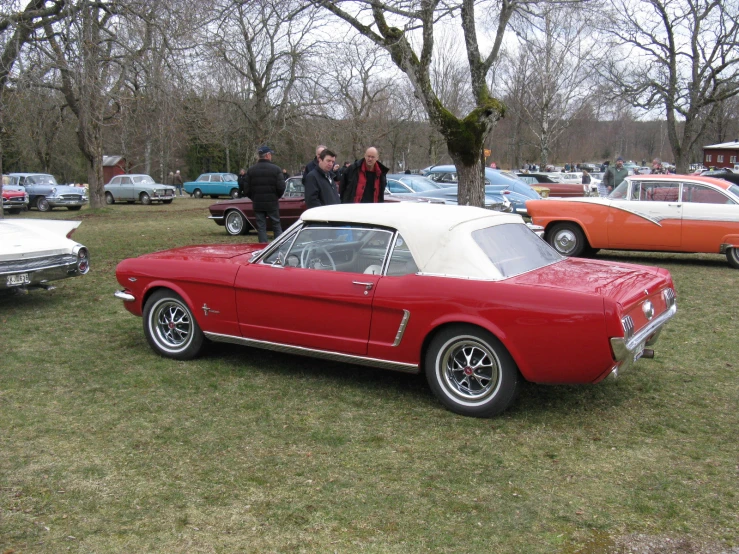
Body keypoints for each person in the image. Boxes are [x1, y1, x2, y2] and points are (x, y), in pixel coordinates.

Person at [242, 146, 286, 243]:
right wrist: (276, 197)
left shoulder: (251, 170)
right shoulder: (276, 169)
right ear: (268, 155)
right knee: (276, 224)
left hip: (258, 203)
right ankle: (278, 246)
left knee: (261, 227)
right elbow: (281, 187)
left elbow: (246, 189)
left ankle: (263, 247)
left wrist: (254, 197)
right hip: (272, 202)